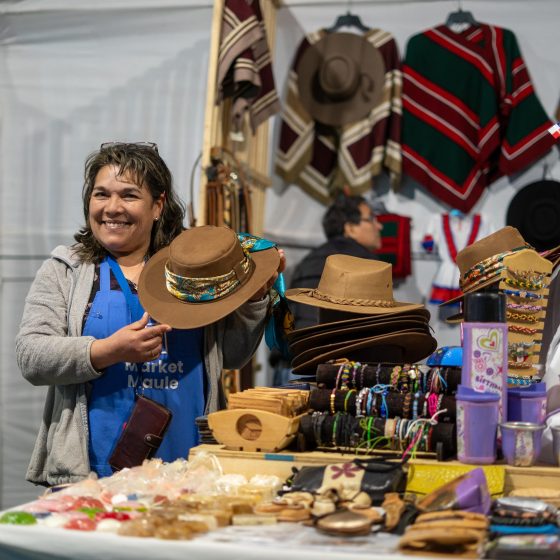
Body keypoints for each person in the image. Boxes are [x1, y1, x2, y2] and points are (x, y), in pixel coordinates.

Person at [15, 142, 284, 486]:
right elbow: (31, 356)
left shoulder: (190, 270)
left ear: (158, 205)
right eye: (101, 194)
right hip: (92, 474)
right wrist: (107, 350)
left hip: (191, 469)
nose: (112, 208)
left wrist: (255, 298)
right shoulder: (66, 269)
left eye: (129, 195)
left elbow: (231, 356)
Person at [288, 193, 383, 330]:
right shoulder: (367, 263)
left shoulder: (306, 262)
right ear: (350, 228)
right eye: (371, 218)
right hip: (342, 342)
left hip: (299, 341)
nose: (379, 226)